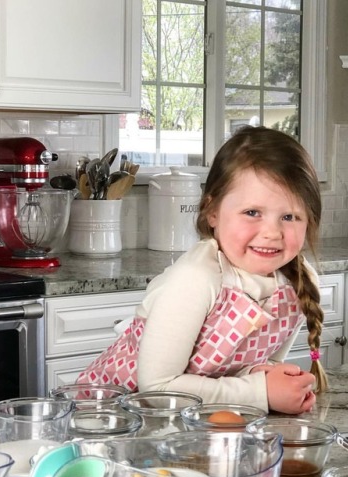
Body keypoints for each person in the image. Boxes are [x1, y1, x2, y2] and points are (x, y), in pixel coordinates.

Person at [77, 126, 327, 414]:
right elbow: (157, 388)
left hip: (193, 425)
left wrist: (273, 381)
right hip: (114, 421)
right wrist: (262, 393)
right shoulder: (197, 278)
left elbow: (253, 371)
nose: (272, 232)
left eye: (289, 216)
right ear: (213, 212)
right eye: (252, 213)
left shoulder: (300, 282)